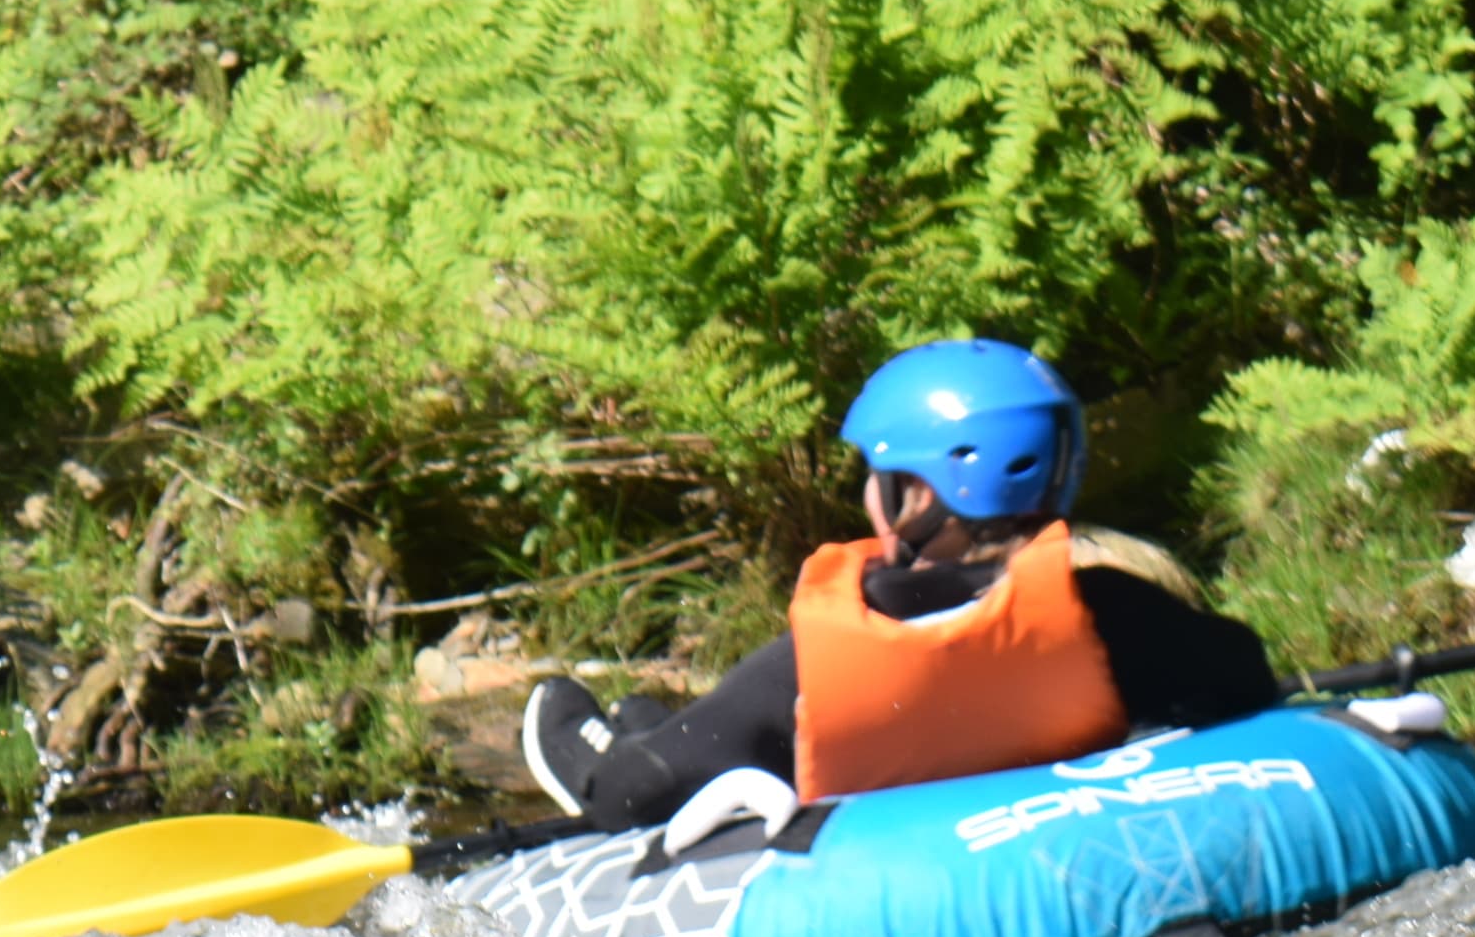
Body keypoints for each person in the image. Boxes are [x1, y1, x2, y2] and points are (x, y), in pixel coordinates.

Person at [518, 340, 1285, 839]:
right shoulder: (1116, 616)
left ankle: (616, 737)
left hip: (871, 885)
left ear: (917, 497)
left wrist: (616, 771)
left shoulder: (813, 661)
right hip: (1064, 844)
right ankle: (666, 721)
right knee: (702, 732)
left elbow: (633, 797)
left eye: (879, 478)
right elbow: (1245, 677)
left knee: (654, 754)